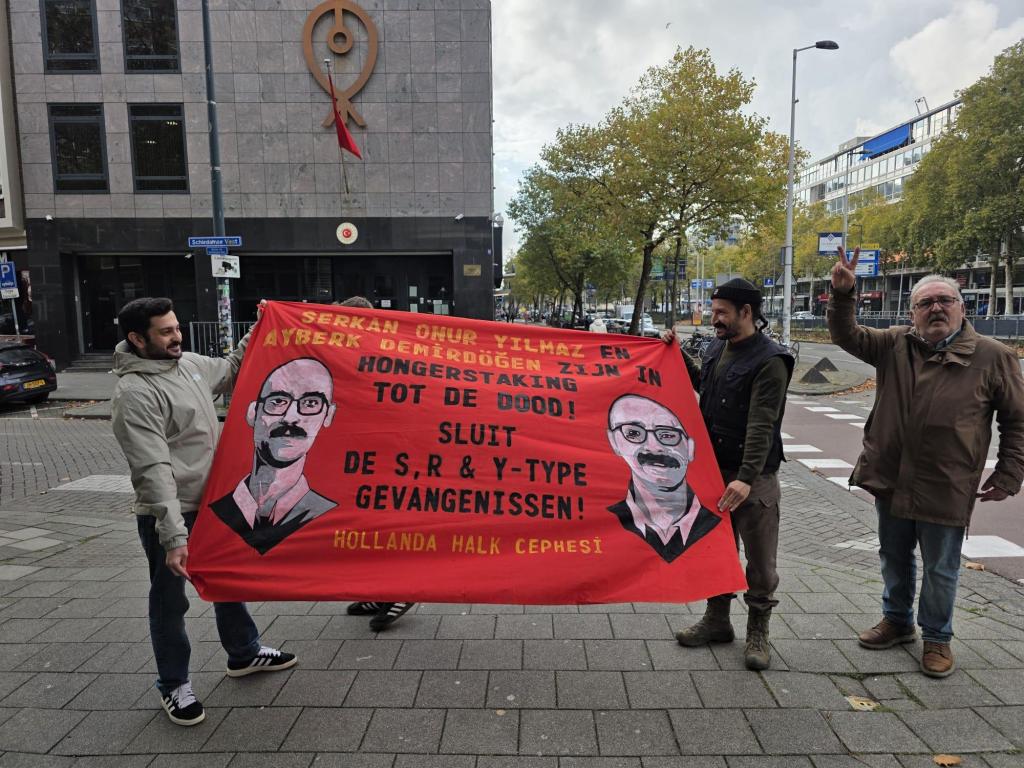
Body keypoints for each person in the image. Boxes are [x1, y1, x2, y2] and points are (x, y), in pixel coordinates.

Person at [828, 246, 1024, 678]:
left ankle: (937, 638)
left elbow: (1017, 421)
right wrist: (843, 294)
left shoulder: (993, 356)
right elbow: (847, 336)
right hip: (892, 476)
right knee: (893, 555)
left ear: (961, 307)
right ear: (913, 311)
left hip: (946, 481)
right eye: (925, 303)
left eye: (944, 301)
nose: (936, 308)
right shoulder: (895, 343)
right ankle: (897, 622)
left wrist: (1009, 474)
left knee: (941, 566)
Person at [111, 297, 296, 727]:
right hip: (173, 513)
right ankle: (174, 684)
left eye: (177, 328)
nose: (177, 337)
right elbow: (153, 471)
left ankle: (244, 654)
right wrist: (173, 536)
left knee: (228, 581)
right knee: (169, 602)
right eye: (165, 331)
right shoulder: (136, 394)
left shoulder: (189, 364)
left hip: (214, 503)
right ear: (137, 339)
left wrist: (265, 321)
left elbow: (232, 367)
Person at [667, 278, 794, 670]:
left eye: (722, 312)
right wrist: (674, 356)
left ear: (747, 313)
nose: (713, 318)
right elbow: (704, 385)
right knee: (718, 550)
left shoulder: (771, 361)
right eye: (713, 310)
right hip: (712, 471)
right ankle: (717, 620)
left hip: (751, 477)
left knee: (760, 562)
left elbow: (761, 425)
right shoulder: (715, 347)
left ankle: (759, 629)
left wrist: (745, 477)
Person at [335, 295, 417, 631]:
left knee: (389, 527)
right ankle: (378, 590)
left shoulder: (388, 354)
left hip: (391, 457)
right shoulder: (347, 354)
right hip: (363, 458)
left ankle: (401, 590)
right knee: (367, 531)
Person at [210, 357, 338, 554]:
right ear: (253, 412)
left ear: (327, 416)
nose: (291, 417)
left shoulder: (329, 516)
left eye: (311, 403)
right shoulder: (215, 513)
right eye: (278, 401)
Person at [606, 394, 720, 562]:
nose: (654, 448)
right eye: (633, 433)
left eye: (667, 435)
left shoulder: (716, 523)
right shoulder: (605, 523)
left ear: (690, 447)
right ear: (614, 442)